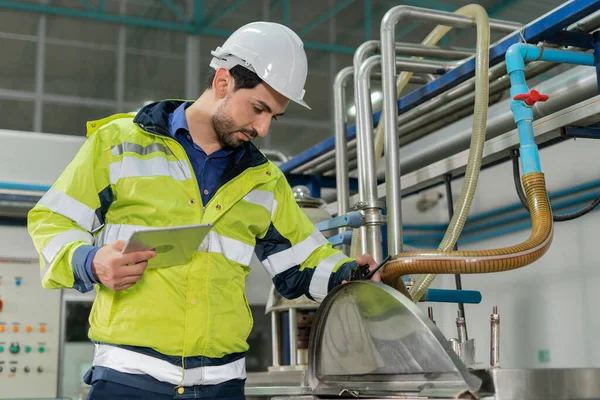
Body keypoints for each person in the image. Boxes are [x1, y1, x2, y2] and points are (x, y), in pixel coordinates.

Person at [27, 21, 380, 400]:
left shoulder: (264, 180)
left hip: (222, 385)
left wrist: (350, 274)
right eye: (258, 108)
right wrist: (91, 262)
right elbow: (53, 221)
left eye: (272, 117)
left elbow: (302, 262)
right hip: (130, 378)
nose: (263, 128)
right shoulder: (118, 143)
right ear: (224, 82)